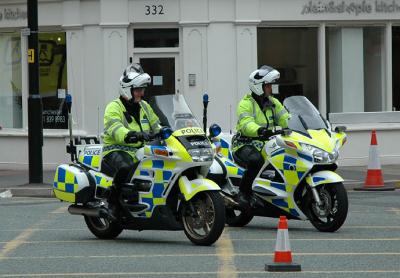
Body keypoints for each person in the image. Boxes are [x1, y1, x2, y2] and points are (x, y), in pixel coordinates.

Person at [232, 65, 290, 205]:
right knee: (255, 160)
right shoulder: (245, 104)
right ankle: (244, 193)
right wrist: (260, 130)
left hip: (266, 143)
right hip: (244, 143)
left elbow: (285, 118)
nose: (271, 88)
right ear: (259, 86)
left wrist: (293, 125)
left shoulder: (273, 102)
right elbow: (246, 124)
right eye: (268, 85)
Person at [101, 64, 161, 182]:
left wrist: (167, 131)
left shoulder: (145, 106)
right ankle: (115, 198)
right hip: (117, 150)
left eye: (142, 90)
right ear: (128, 90)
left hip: (141, 150)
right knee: (126, 169)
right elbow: (117, 130)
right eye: (138, 90)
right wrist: (134, 134)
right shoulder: (113, 107)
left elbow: (156, 125)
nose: (142, 94)